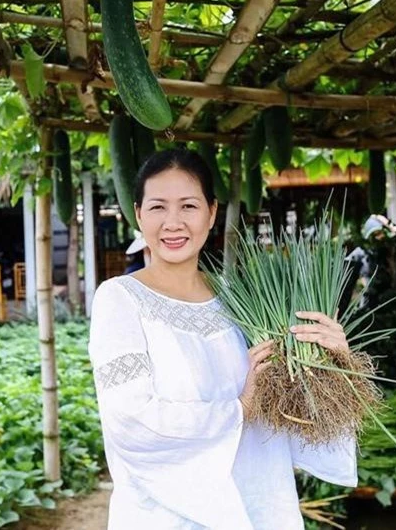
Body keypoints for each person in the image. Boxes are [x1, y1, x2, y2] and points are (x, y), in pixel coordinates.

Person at [88, 149, 355, 530]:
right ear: (138, 214)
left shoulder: (241, 299)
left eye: (189, 206)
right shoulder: (120, 299)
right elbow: (131, 421)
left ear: (212, 213)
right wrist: (239, 409)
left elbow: (292, 412)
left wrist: (333, 364)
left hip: (260, 506)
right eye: (159, 207)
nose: (173, 222)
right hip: (168, 517)